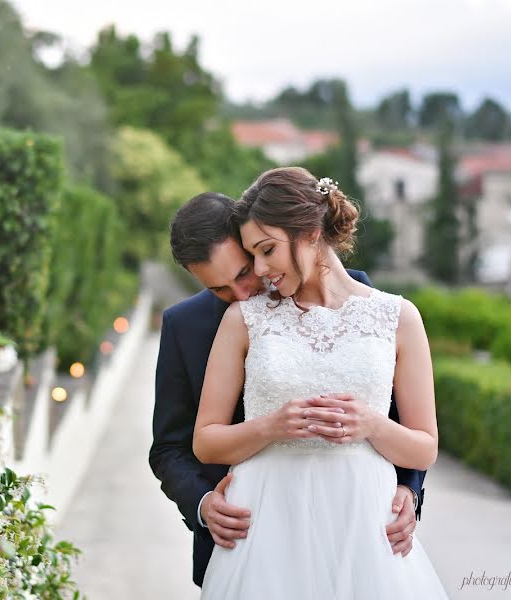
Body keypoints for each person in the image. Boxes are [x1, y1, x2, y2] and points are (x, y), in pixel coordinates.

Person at [150, 189, 426, 588]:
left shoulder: (369, 306)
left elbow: (398, 415)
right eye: (219, 288)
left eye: (245, 272)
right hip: (248, 542)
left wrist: (408, 488)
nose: (243, 294)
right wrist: (204, 505)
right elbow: (168, 447)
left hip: (356, 532)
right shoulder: (185, 325)